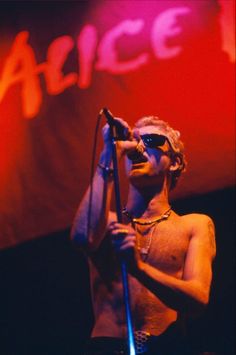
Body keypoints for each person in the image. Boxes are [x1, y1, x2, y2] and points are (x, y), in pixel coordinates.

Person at [71, 115, 216, 355]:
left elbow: (197, 299)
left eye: (151, 140)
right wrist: (110, 151)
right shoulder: (106, 222)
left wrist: (139, 269)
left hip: (167, 348)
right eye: (135, 140)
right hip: (106, 348)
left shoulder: (194, 225)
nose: (139, 147)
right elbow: (82, 237)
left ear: (174, 163)